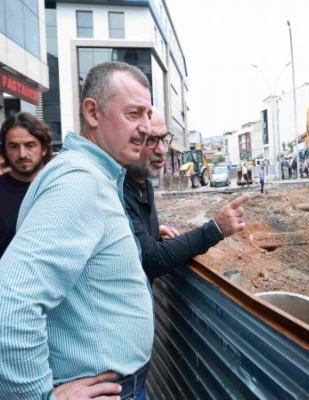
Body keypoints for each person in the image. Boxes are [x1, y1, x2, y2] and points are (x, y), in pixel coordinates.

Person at [0, 61, 154, 399]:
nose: (145, 128)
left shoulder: (94, 176)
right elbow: (9, 305)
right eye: (133, 113)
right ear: (93, 112)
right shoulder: (79, 183)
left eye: (147, 114)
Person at [124, 109, 250, 282]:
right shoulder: (118, 190)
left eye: (164, 139)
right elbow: (151, 260)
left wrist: (151, 232)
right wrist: (216, 228)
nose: (162, 150)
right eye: (152, 140)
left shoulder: (145, 184)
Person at [0, 112, 53, 257]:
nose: (22, 154)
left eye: (30, 145)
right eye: (13, 146)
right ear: (5, 150)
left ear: (44, 148)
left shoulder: (59, 188)